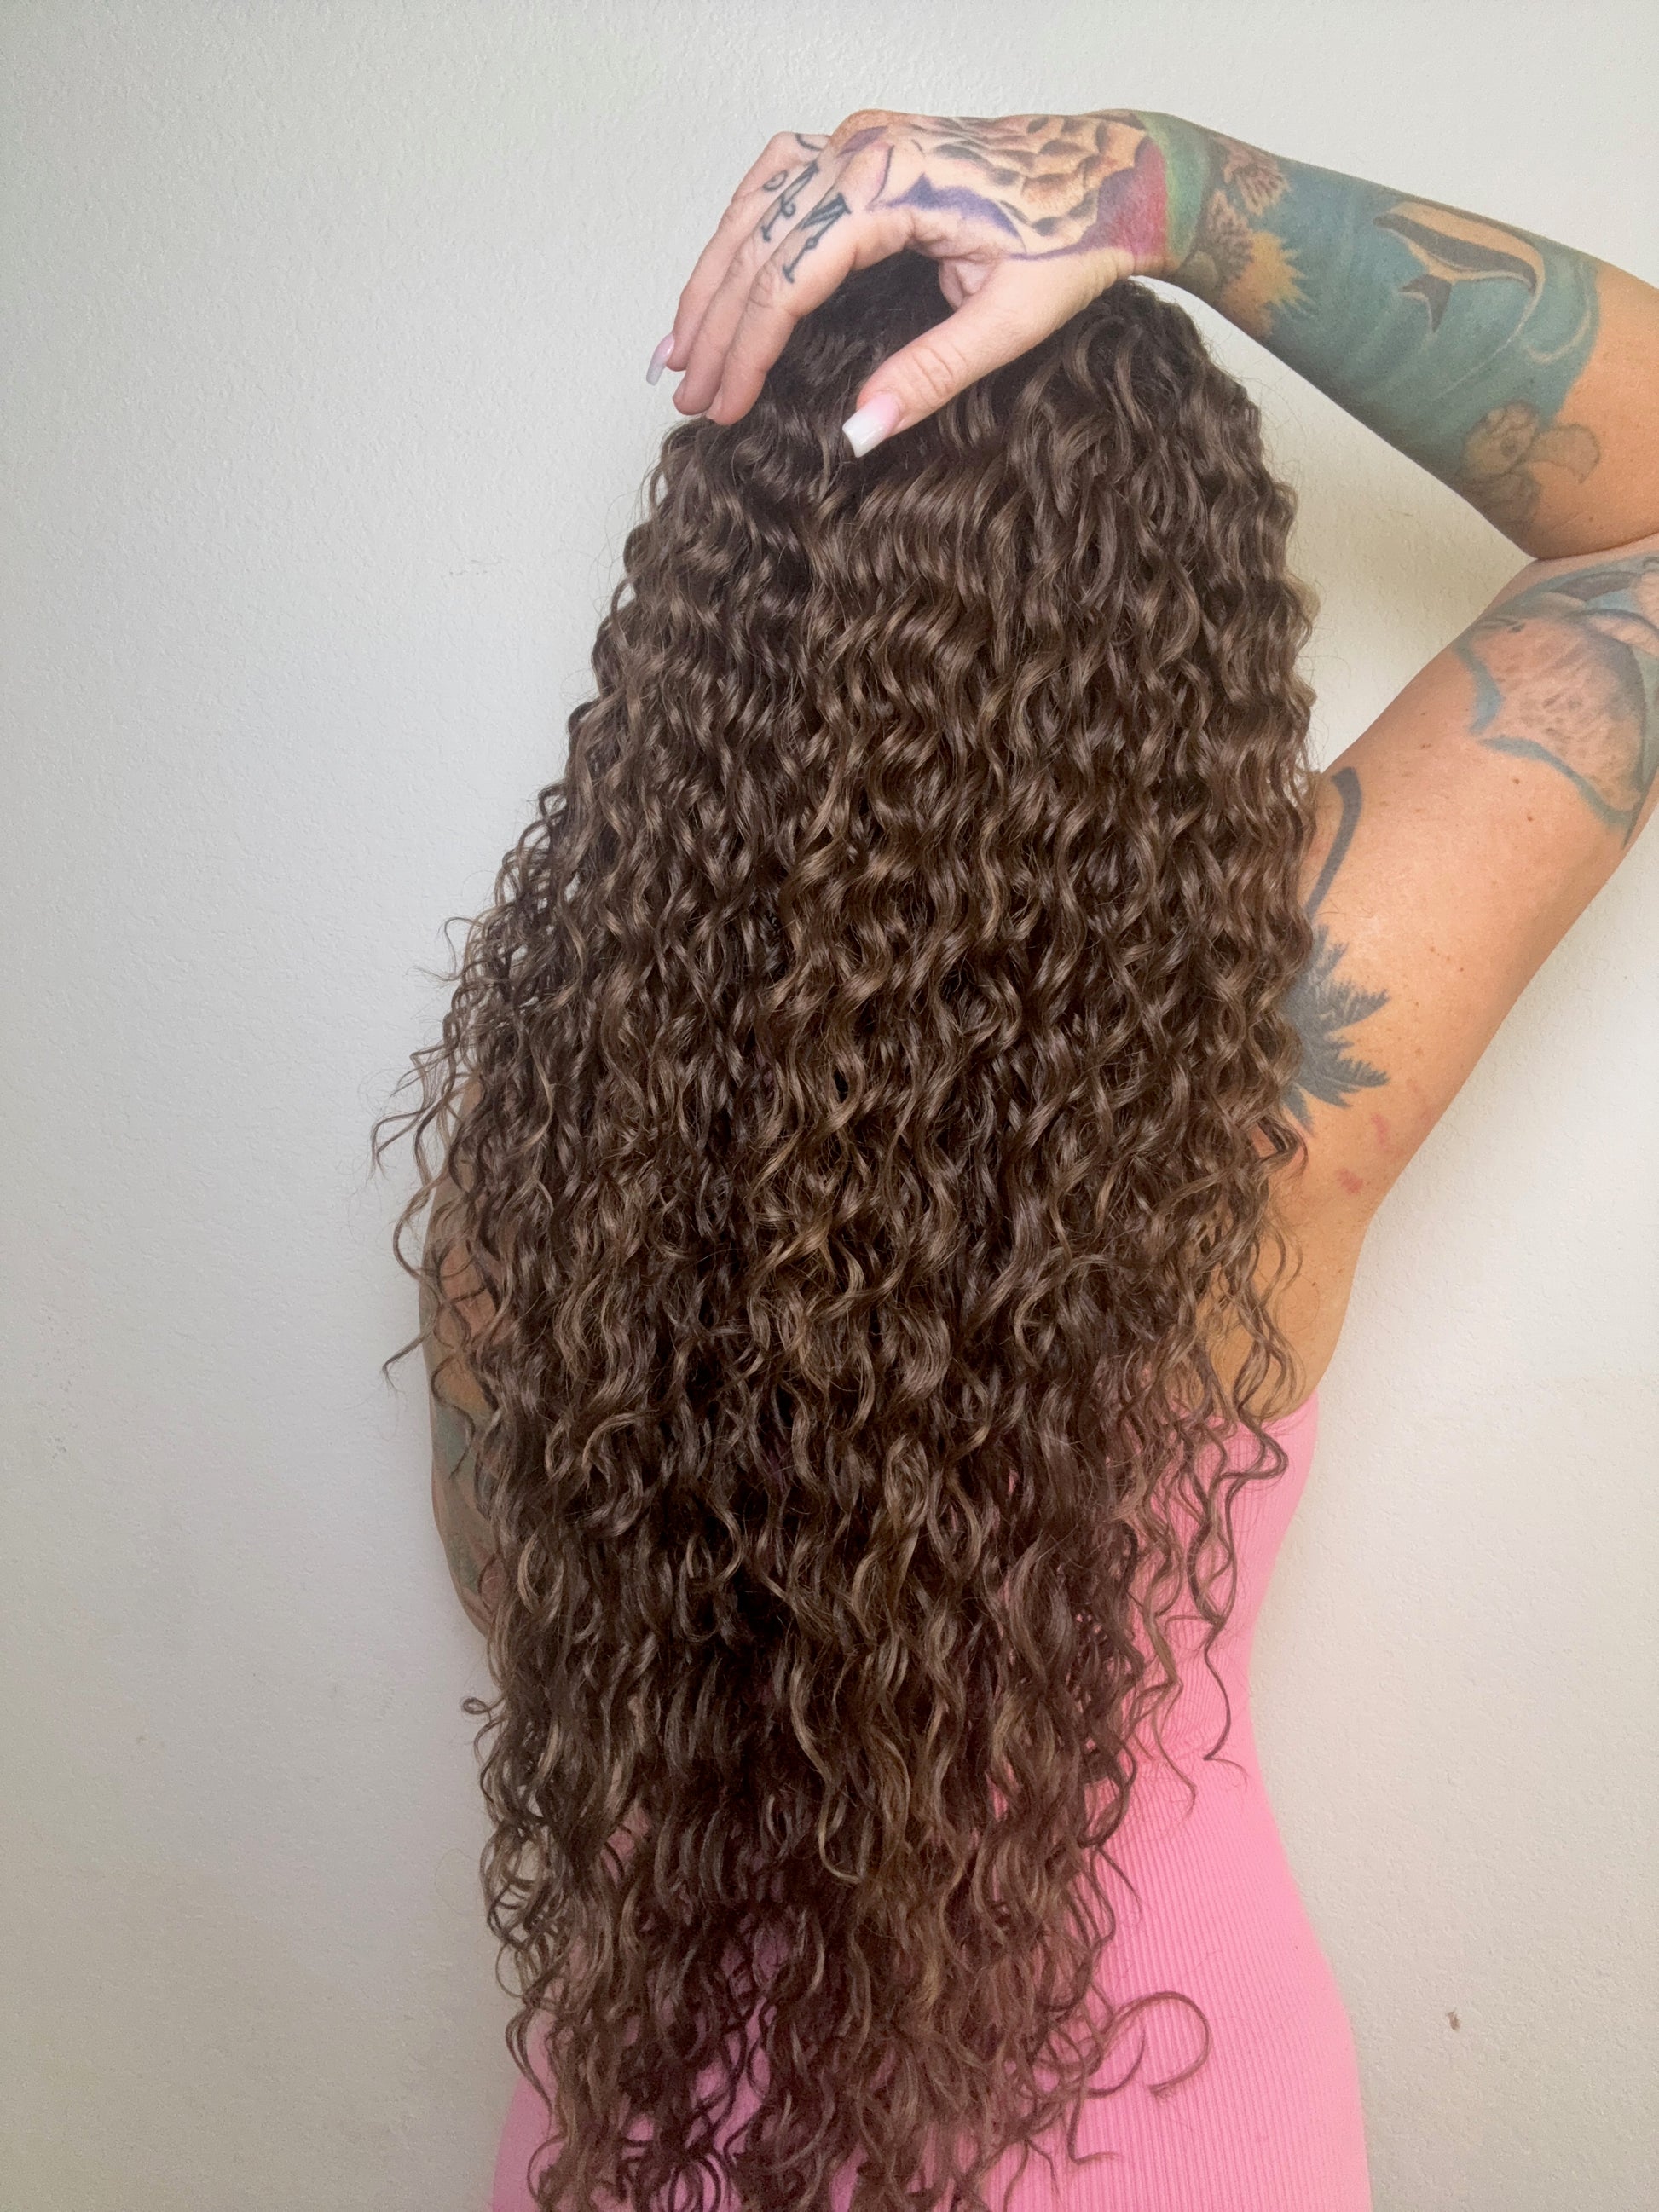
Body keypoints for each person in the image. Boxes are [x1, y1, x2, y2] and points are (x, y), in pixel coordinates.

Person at [376, 107, 1658, 2212]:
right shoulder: (1267, 1076)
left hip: (654, 2139)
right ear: (1171, 634)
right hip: (1165, 2134)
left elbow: (558, 1659)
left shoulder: (538, 1181)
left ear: (703, 645)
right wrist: (1163, 191)